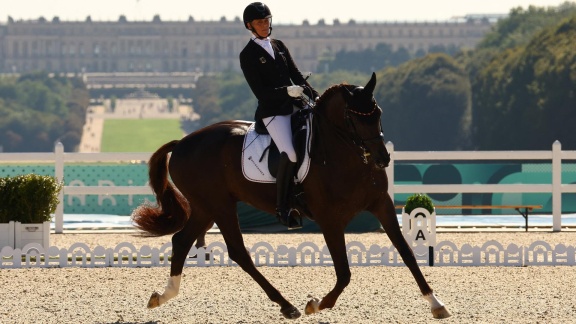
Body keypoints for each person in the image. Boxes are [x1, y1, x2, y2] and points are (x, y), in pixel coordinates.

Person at [240, 2, 319, 230]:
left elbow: (296, 75)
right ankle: (283, 207)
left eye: (266, 21)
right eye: (259, 22)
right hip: (273, 112)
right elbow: (261, 92)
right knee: (291, 153)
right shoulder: (248, 55)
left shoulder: (279, 45)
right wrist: (286, 91)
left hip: (295, 104)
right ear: (250, 26)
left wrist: (315, 96)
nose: (264, 25)